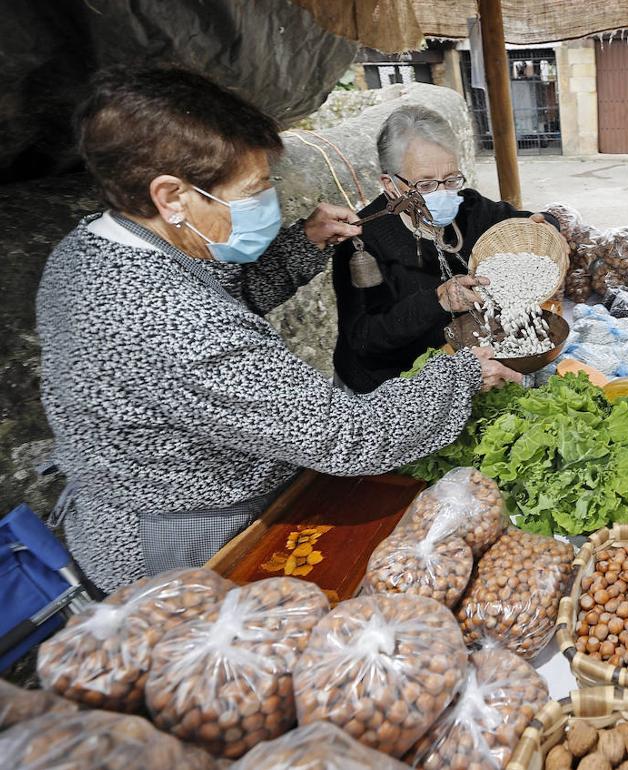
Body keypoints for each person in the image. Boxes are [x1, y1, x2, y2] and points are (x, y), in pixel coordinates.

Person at [36, 67, 522, 593]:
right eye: (254, 189)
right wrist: (461, 374)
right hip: (183, 545)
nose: (267, 200)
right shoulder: (168, 319)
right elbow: (345, 433)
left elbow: (226, 295)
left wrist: (301, 244)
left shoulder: (94, 248)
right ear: (172, 197)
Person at [332, 105, 566, 394]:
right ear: (390, 185)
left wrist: (548, 226)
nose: (444, 193)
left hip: (458, 369)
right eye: (426, 184)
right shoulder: (362, 243)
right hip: (391, 387)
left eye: (452, 179)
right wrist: (438, 301)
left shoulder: (469, 208)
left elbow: (527, 222)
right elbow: (363, 338)